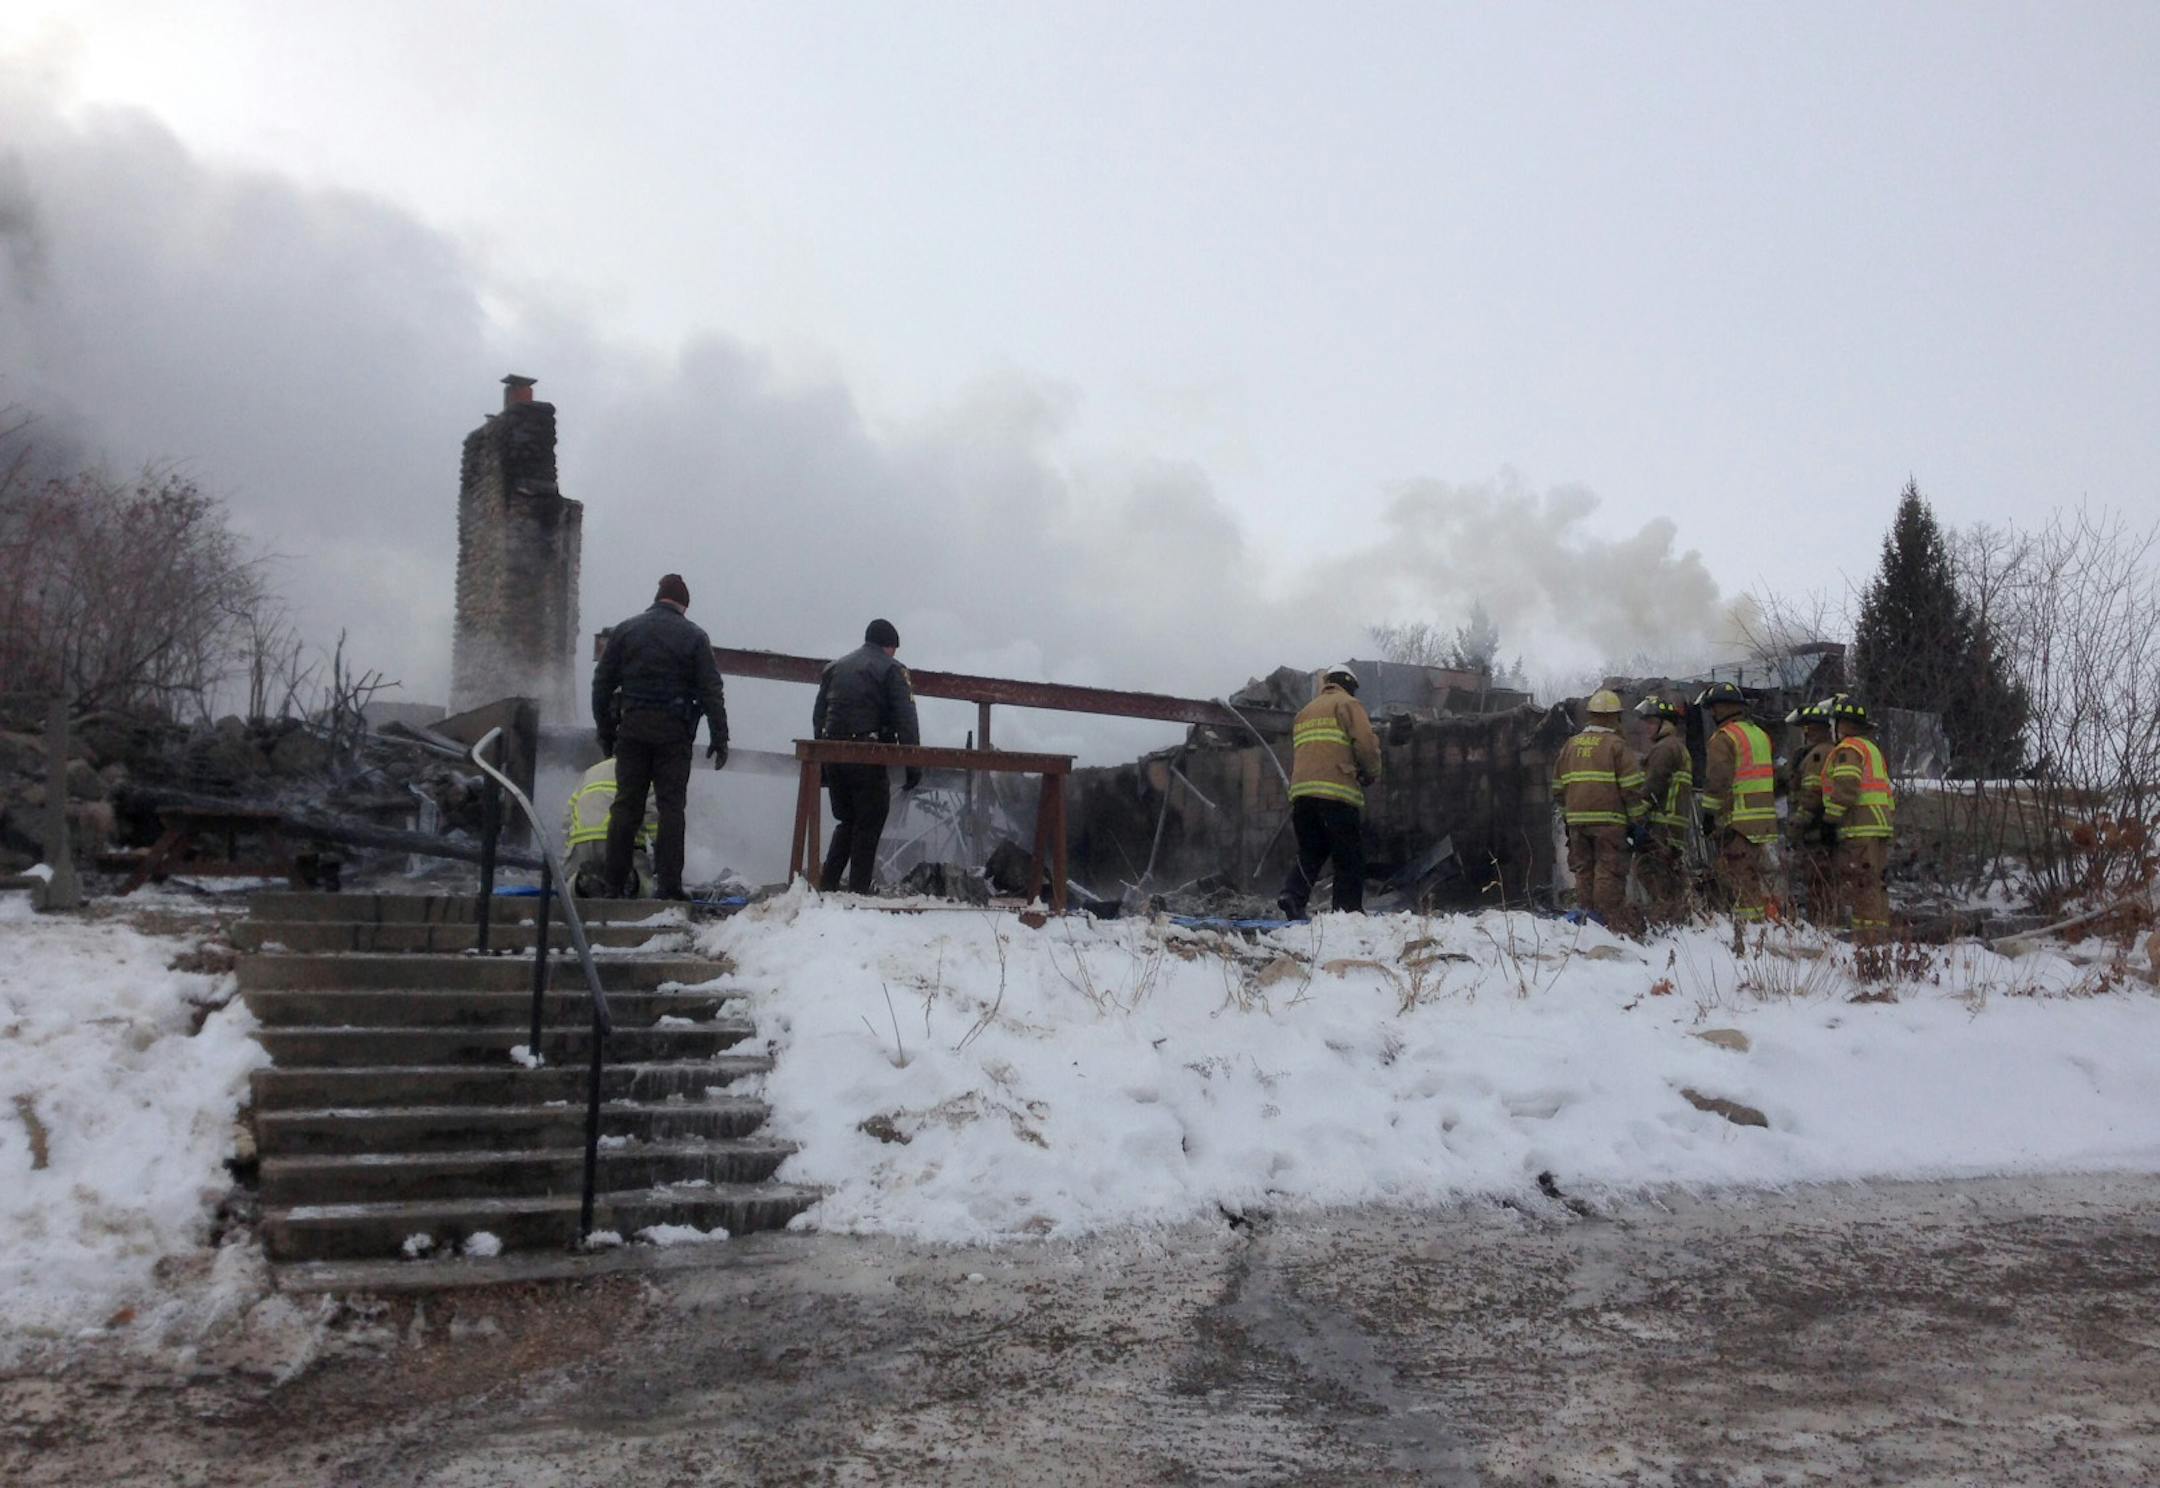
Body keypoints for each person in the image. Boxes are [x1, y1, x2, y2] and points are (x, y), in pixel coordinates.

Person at [590, 574, 729, 900]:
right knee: (671, 809)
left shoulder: (626, 630)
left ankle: (613, 886)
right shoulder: (695, 637)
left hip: (633, 729)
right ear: (684, 605)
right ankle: (669, 886)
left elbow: (602, 684)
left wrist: (605, 730)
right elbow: (711, 691)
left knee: (626, 807)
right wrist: (719, 737)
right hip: (674, 735)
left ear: (657, 599)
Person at [812, 618, 922, 894]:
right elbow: (906, 720)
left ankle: (828, 885)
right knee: (869, 822)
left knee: (847, 821)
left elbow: (818, 717)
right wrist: (913, 765)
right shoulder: (893, 670)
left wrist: (823, 762)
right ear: (890, 646)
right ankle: (859, 891)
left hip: (833, 753)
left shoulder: (834, 667)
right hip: (867, 754)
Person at [1276, 663, 1383, 918]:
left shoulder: (1304, 712)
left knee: (1312, 850)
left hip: (1302, 795)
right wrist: (1371, 772)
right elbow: (1366, 745)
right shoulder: (1348, 704)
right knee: (1348, 855)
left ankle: (1292, 896)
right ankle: (1347, 913)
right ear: (1349, 685)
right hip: (1337, 794)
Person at [1552, 689, 1648, 935]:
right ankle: (1607, 925)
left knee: (1584, 871)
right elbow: (1632, 788)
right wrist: (1638, 821)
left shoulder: (1570, 746)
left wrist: (1568, 816)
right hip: (1609, 822)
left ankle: (1586, 922)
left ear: (1591, 716)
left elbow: (1558, 788)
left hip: (1576, 823)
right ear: (1614, 717)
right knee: (1609, 871)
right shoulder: (1617, 746)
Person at [1696, 680, 1777, 938]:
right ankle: (1764, 928)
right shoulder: (1759, 734)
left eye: (1713, 708)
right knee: (1760, 879)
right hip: (1764, 820)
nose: (1712, 713)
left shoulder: (1724, 737)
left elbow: (1718, 780)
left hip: (1738, 821)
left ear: (1722, 707)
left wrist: (1709, 814)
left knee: (1741, 880)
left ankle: (1749, 934)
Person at [1821, 694, 1897, 944]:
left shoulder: (1849, 749)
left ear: (1842, 724)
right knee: (1875, 884)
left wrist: (1830, 820)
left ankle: (1867, 941)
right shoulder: (1871, 749)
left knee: (1862, 884)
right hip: (1879, 826)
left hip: (1859, 827)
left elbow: (1847, 787)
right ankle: (1878, 937)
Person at [1632, 693, 1694, 927]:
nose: (1646, 727)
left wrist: (1635, 817)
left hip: (1661, 826)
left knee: (1649, 870)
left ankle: (1664, 922)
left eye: (1651, 722)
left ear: (1665, 723)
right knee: (1671, 874)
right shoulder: (1678, 747)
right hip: (1674, 826)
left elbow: (1653, 786)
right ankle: (1679, 921)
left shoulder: (1664, 748)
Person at [562, 753, 657, 898]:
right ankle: (629, 880)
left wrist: (570, 845)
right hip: (617, 842)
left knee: (568, 888)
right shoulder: (642, 771)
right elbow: (654, 818)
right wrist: (660, 850)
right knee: (646, 887)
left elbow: (567, 817)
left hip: (580, 840)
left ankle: (580, 882)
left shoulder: (590, 772)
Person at [1783, 699, 1838, 927]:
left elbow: (1812, 794)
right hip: (1816, 829)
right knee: (1817, 881)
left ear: (1810, 729)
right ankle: (1822, 922)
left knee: (1819, 881)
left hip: (1815, 830)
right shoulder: (1814, 753)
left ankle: (1823, 925)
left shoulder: (1820, 754)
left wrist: (1796, 826)